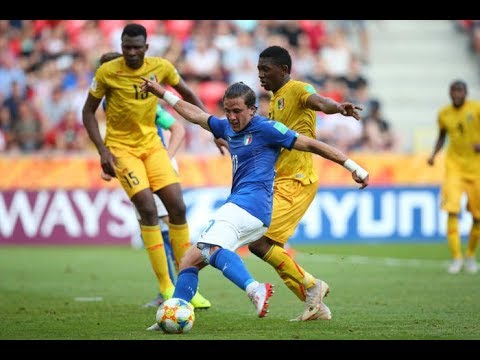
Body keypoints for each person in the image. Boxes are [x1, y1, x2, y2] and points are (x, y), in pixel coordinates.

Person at [139, 79, 369, 327]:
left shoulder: (268, 129)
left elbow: (312, 144)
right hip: (243, 207)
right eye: (227, 111)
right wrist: (162, 93)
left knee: (209, 248)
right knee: (189, 261)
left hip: (251, 205)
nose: (232, 116)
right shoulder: (226, 127)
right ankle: (174, 310)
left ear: (252, 109)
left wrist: (352, 166)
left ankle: (254, 288)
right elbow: (195, 115)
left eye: (237, 111)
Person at [82, 23, 211, 310]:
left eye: (136, 47)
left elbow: (187, 94)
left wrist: (214, 127)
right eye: (126, 46)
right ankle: (166, 288)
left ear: (146, 47)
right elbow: (87, 112)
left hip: (153, 147)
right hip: (122, 150)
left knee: (177, 207)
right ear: (121, 44)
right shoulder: (107, 71)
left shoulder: (161, 67)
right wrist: (102, 150)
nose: (130, 52)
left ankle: (185, 286)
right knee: (148, 209)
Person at [250, 45, 363, 321]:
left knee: (257, 242)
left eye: (266, 69)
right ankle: (315, 305)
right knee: (269, 247)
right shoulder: (275, 98)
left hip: (298, 180)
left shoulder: (300, 89)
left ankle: (313, 287)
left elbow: (320, 102)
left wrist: (338, 108)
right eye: (259, 70)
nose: (261, 75)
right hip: (282, 181)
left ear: (284, 70)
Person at [427, 79, 480, 274]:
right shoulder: (444, 113)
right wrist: (434, 154)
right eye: (453, 91)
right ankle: (457, 257)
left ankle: (471, 256)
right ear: (449, 93)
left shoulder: (476, 109)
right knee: (452, 211)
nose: (456, 94)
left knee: (477, 217)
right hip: (454, 168)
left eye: (459, 91)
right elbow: (442, 136)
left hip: (476, 169)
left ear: (466, 93)